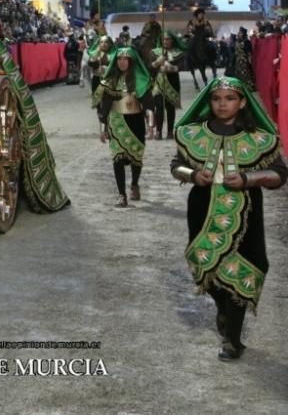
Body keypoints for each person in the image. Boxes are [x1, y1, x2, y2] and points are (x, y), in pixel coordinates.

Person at [170, 76, 286, 360]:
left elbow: (280, 175)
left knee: (251, 263)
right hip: (202, 206)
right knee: (204, 262)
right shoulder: (191, 133)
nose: (223, 104)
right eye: (217, 98)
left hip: (246, 209)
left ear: (242, 102)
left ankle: (232, 338)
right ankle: (222, 305)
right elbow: (176, 166)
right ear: (209, 102)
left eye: (230, 98)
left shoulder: (260, 137)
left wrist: (248, 178)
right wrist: (193, 175)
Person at [97, 47, 154, 207]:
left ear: (131, 61)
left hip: (136, 122)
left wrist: (150, 126)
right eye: (119, 59)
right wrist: (102, 129)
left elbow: (149, 105)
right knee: (117, 158)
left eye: (125, 59)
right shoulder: (109, 81)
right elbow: (104, 108)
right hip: (116, 122)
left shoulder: (141, 80)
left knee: (136, 159)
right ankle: (122, 194)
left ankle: (134, 183)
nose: (122, 62)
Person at [150, 31, 185, 139]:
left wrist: (170, 67)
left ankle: (170, 132)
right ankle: (159, 132)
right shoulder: (155, 52)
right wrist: (157, 62)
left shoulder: (178, 53)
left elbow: (182, 66)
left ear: (172, 41)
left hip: (172, 82)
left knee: (170, 108)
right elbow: (149, 67)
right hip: (158, 83)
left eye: (168, 39)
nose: (165, 41)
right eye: (164, 39)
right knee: (159, 107)